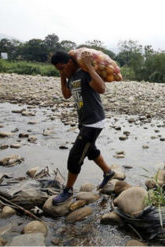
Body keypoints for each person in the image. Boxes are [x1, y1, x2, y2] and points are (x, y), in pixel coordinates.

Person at [50, 51, 115, 205]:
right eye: (58, 69)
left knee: (75, 157)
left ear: (70, 62)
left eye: (62, 68)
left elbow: (101, 88)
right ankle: (108, 172)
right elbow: (66, 94)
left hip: (94, 122)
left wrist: (89, 67)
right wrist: (62, 76)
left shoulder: (84, 73)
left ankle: (68, 191)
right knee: (90, 149)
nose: (62, 71)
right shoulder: (71, 77)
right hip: (84, 121)